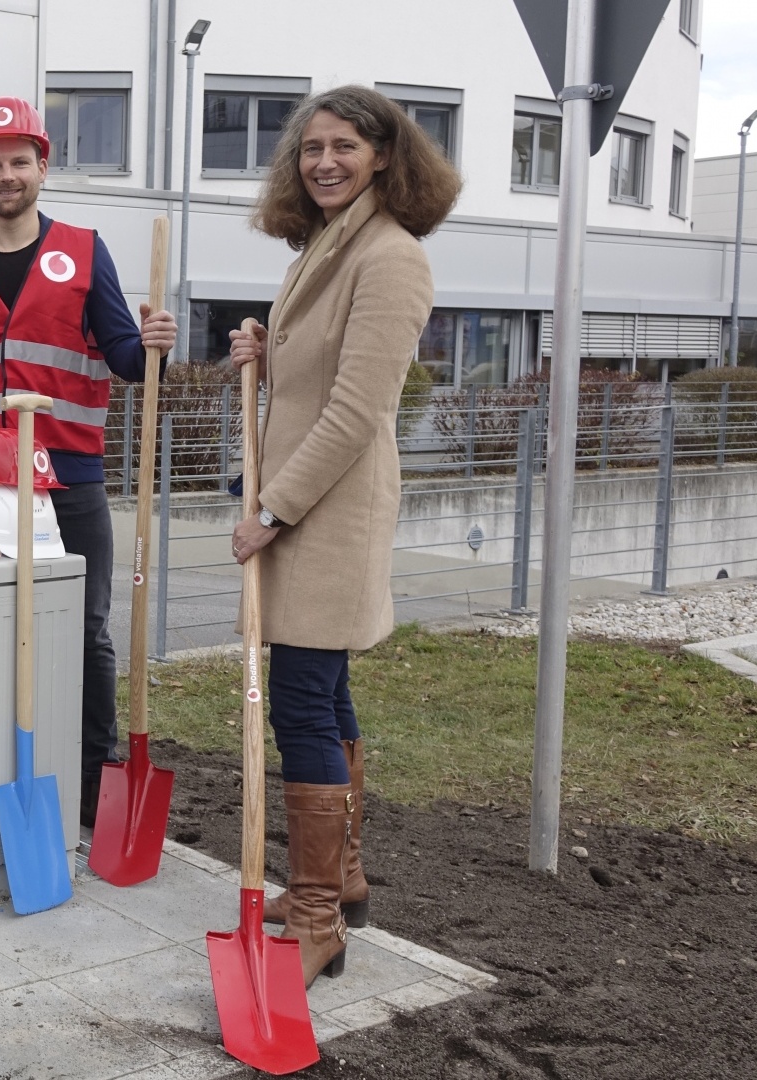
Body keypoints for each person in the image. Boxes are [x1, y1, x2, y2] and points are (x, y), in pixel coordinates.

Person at [227, 85, 460, 987]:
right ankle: (343, 878)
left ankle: (319, 913)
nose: (324, 161)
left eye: (345, 148)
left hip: (327, 515)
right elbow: (312, 374)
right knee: (325, 697)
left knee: (300, 703)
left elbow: (359, 411)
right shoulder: (324, 246)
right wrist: (263, 347)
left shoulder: (392, 258)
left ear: (385, 157)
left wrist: (271, 512)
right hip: (296, 510)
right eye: (312, 148)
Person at [0, 97, 179, 828]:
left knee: (85, 629)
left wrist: (152, 339)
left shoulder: (87, 252)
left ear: (42, 166)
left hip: (72, 481)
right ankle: (0, 767)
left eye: (18, 161)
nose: (6, 175)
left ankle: (93, 777)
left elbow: (124, 357)